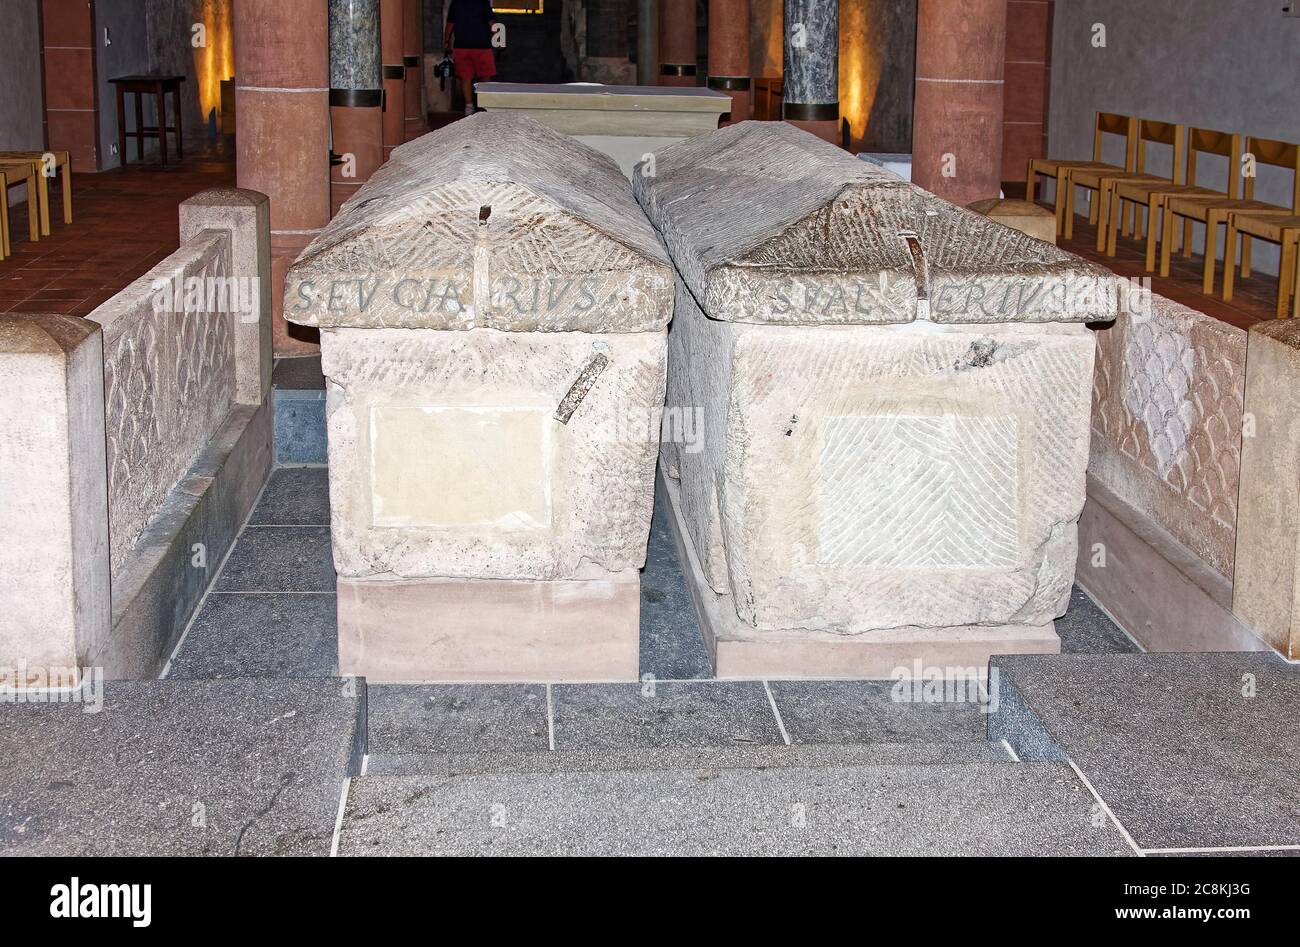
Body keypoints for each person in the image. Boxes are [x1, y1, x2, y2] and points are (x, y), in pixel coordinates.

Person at [445, 0, 499, 116]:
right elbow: (492, 22)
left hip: (462, 46)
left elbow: (450, 23)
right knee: (485, 76)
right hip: (482, 46)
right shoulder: (482, 2)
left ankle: (469, 106)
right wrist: (499, 38)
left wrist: (446, 40)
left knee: (466, 77)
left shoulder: (456, 3)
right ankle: (483, 104)